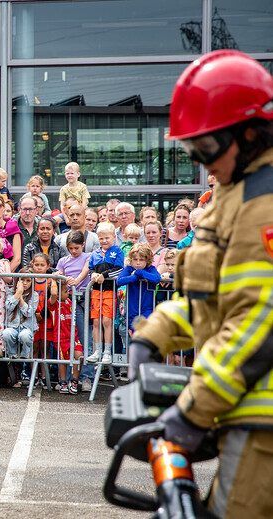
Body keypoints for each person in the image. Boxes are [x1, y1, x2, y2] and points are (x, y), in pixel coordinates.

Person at [127, 50, 273, 518]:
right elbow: (215, 303)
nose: (202, 163)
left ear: (251, 133)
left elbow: (261, 323)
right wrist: (154, 334)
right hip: (242, 412)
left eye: (206, 148)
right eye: (193, 151)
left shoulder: (265, 203)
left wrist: (192, 410)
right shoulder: (232, 195)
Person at [56, 231, 93, 391]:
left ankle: (86, 376)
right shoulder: (63, 260)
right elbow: (59, 274)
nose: (73, 251)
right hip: (67, 301)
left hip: (83, 301)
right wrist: (62, 277)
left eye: (76, 248)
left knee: (85, 338)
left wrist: (75, 281)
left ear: (83, 245)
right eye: (70, 248)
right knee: (65, 337)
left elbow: (86, 271)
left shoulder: (88, 257)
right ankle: (66, 378)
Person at [85, 222, 124, 365]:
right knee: (96, 322)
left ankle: (107, 351)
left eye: (107, 238)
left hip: (109, 290)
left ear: (113, 237)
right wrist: (94, 274)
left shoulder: (117, 251)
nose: (104, 241)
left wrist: (104, 275)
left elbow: (120, 269)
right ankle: (97, 351)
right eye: (101, 238)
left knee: (106, 321)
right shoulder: (95, 253)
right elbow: (90, 270)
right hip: (96, 291)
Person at [116, 244, 161, 332]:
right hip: (132, 307)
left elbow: (157, 278)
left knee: (145, 329)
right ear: (131, 260)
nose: (138, 262)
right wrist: (134, 277)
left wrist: (141, 273)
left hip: (147, 307)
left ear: (147, 260)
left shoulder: (150, 269)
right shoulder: (129, 269)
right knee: (134, 330)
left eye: (141, 260)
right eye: (135, 259)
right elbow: (119, 281)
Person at [52, 282, 84, 395]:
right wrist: (55, 280)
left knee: (79, 356)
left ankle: (74, 381)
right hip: (61, 338)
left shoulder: (71, 302)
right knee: (62, 361)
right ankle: (63, 382)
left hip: (73, 337)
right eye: (66, 291)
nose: (69, 293)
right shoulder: (54, 303)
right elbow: (54, 294)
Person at [31, 254, 57, 388]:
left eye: (42, 265)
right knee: (34, 348)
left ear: (48, 266)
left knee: (45, 348)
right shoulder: (30, 280)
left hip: (46, 318)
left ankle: (45, 376)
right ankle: (34, 376)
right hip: (32, 318)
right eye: (37, 265)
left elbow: (53, 298)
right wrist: (34, 314)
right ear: (32, 265)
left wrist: (42, 313)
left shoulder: (50, 280)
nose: (39, 268)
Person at [2, 269, 39, 360]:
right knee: (6, 333)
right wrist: (17, 293)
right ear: (18, 280)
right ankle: (12, 354)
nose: (25, 283)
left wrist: (20, 297)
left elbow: (28, 313)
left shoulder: (34, 295)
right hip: (12, 326)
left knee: (24, 336)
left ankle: (25, 355)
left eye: (28, 280)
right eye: (22, 280)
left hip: (27, 327)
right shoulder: (10, 291)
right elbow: (9, 307)